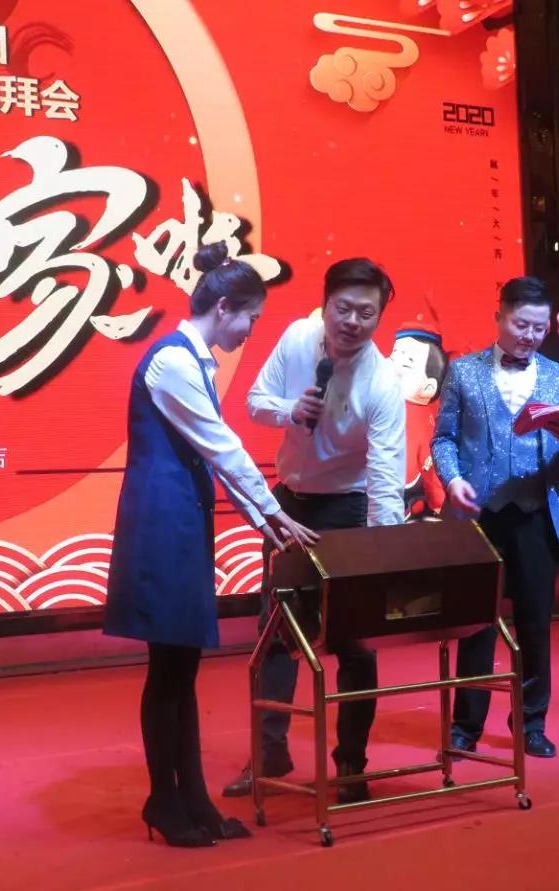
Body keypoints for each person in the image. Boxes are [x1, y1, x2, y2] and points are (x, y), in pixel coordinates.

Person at [103, 242, 318, 848]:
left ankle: (190, 798)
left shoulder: (192, 358)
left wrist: (265, 519)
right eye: (251, 317)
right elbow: (221, 446)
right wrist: (272, 512)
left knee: (182, 668)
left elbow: (214, 452)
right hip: (161, 523)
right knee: (168, 670)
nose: (251, 330)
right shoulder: (173, 361)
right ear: (224, 308)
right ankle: (165, 800)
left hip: (180, 519)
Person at [222, 257, 406, 803]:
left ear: (379, 317)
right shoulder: (297, 339)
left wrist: (385, 552)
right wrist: (289, 409)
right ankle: (269, 753)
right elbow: (255, 404)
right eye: (343, 309)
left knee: (354, 642)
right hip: (289, 506)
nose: (352, 322)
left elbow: (386, 473)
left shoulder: (383, 380)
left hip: (347, 510)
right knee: (275, 633)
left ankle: (351, 762)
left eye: (366, 313)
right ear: (325, 305)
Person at [432, 276, 559, 759]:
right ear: (499, 316)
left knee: (535, 624)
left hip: (536, 514)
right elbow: (443, 439)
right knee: (475, 625)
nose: (530, 336)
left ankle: (531, 723)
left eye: (539, 328)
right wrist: (451, 479)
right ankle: (466, 726)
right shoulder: (464, 372)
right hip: (479, 515)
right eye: (522, 324)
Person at [390, 317, 449, 518]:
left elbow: (432, 472)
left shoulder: (421, 423)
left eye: (407, 365)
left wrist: (439, 503)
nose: (394, 366)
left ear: (428, 387)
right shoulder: (380, 404)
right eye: (393, 357)